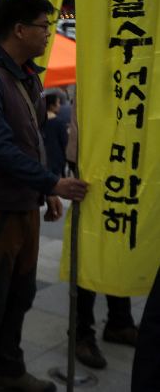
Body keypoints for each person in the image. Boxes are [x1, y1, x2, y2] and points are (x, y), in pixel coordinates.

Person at [0, 0, 88, 392]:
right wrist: (52, 182)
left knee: (20, 294)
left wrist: (44, 190)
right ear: (18, 29)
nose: (49, 34)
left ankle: (10, 369)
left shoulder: (26, 75)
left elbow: (31, 139)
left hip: (23, 206)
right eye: (43, 27)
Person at [63, 98, 138, 370]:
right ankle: (82, 332)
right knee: (91, 243)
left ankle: (120, 320)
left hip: (125, 155)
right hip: (91, 155)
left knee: (118, 237)